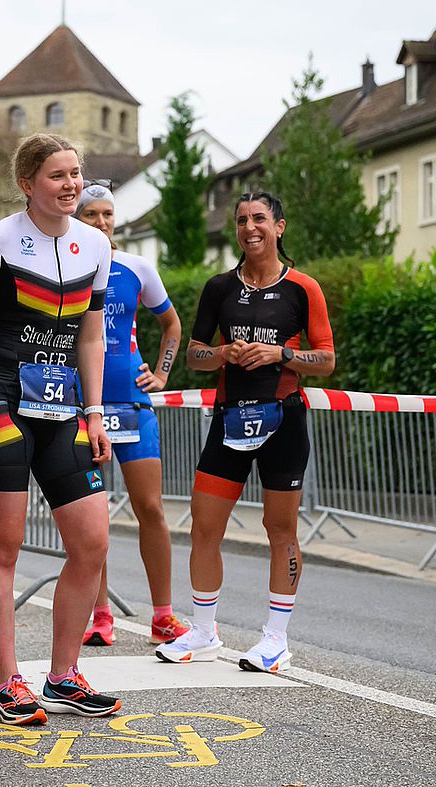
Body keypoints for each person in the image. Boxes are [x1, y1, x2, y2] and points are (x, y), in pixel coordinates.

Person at [0, 133, 119, 724]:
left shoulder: (95, 246)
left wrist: (95, 413)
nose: (72, 184)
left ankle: (63, 675)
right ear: (28, 184)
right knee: (2, 548)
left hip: (63, 407)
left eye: (76, 173)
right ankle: (8, 683)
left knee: (92, 542)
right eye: (58, 175)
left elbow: (92, 334)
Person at [155, 191, 335, 674]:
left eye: (259, 219)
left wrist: (281, 355)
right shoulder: (218, 288)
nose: (249, 227)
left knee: (281, 531)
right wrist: (223, 355)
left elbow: (327, 359)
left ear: (279, 227)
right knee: (204, 526)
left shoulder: (304, 288)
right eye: (241, 220)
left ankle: (275, 640)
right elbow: (194, 355)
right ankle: (204, 630)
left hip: (284, 419)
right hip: (230, 418)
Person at [73, 183, 190, 648]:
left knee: (152, 510)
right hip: (84, 405)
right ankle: (100, 616)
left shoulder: (136, 268)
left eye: (107, 214)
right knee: (93, 518)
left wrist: (161, 374)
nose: (102, 222)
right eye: (92, 215)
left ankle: (163, 615)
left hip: (132, 404)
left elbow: (172, 324)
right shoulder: (64, 269)